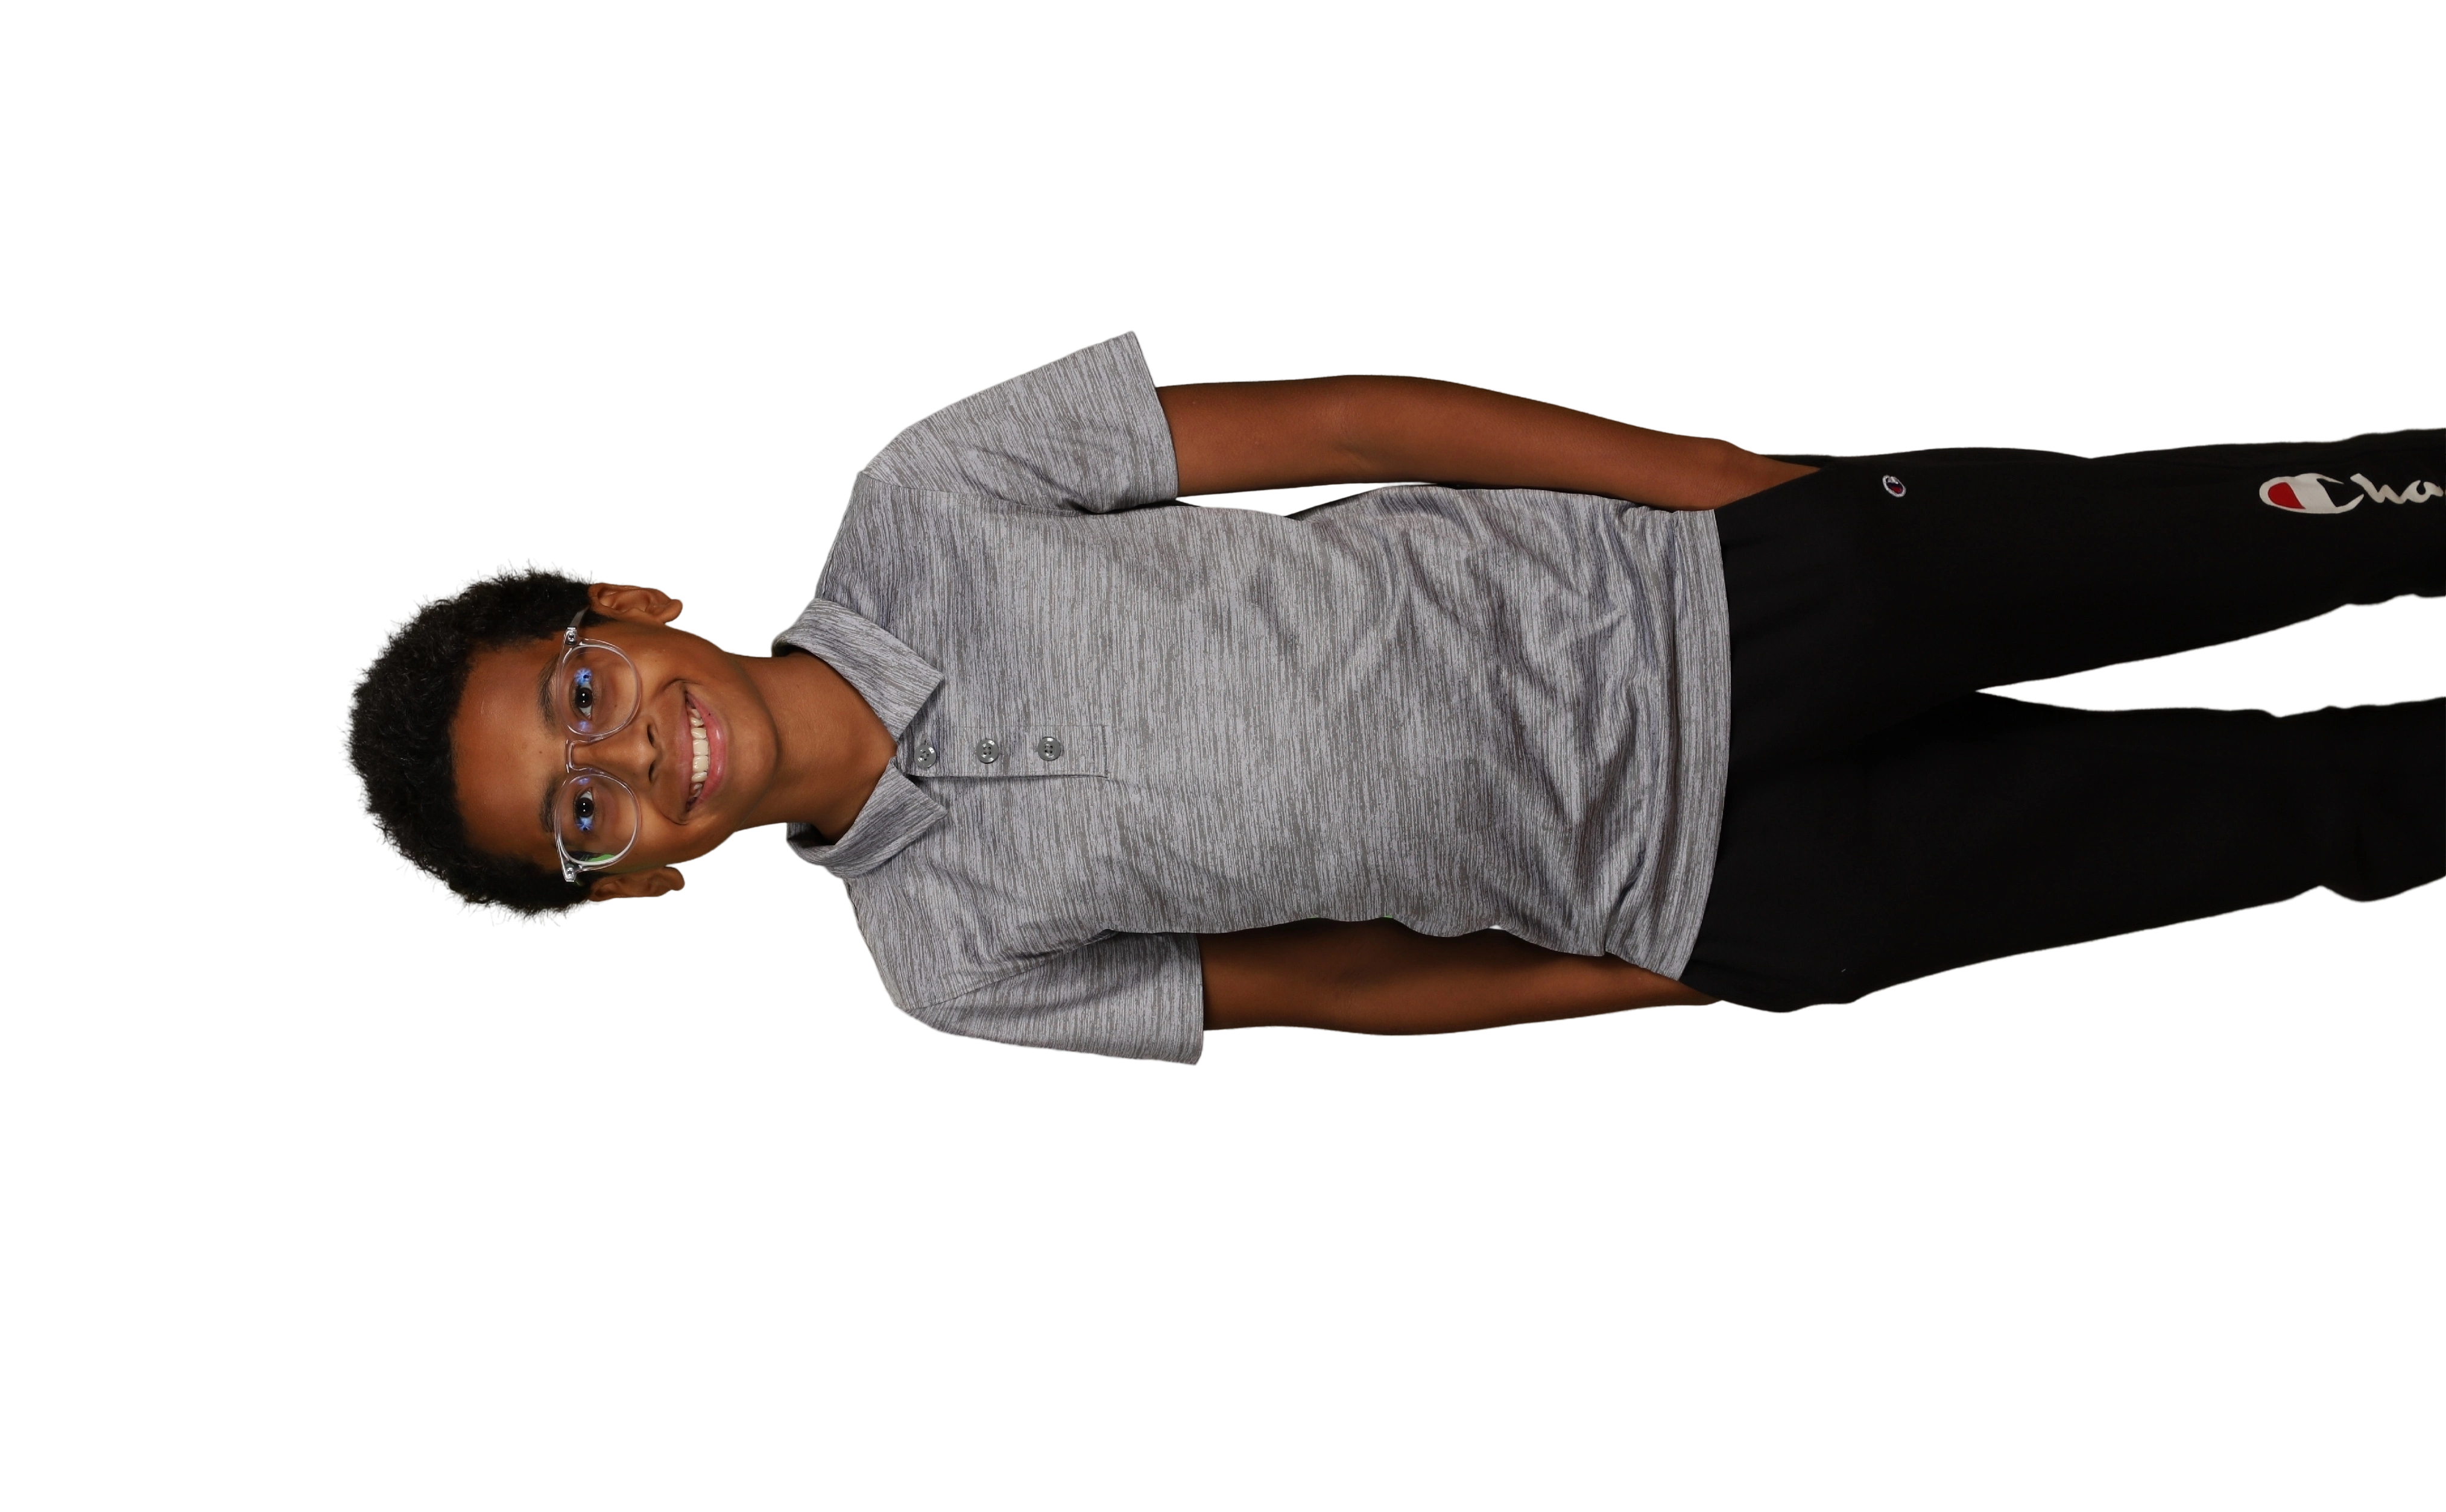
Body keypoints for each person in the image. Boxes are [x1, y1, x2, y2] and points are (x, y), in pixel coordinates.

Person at [338, 332, 2446, 1064]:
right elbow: (1345, 987)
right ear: (637, 886)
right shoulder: (950, 963)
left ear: (627, 608)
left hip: (1737, 602)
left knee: (2271, 534)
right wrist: (1679, 966)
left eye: (583, 693)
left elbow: (1353, 421)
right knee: (2318, 821)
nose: (633, 756)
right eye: (584, 814)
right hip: (1740, 882)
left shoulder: (928, 495)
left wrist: (1756, 506)